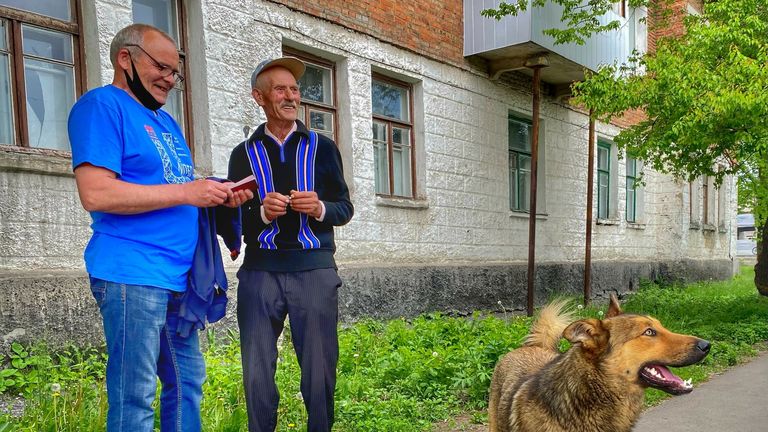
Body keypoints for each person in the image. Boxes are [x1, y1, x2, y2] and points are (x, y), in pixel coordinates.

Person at [68, 24, 252, 431]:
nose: (170, 79)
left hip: (178, 278)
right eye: (162, 68)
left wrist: (218, 195)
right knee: (134, 396)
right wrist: (190, 193)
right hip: (132, 275)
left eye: (175, 72)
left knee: (188, 384)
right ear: (125, 58)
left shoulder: (166, 123)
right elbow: (96, 194)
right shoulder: (102, 106)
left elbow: (173, 189)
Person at [227, 56, 354, 432]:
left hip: (314, 270)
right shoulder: (243, 154)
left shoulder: (323, 147)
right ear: (259, 97)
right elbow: (234, 221)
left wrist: (318, 207)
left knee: (319, 370)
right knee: (256, 371)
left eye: (294, 89)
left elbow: (344, 208)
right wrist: (263, 214)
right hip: (259, 273)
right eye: (280, 89)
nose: (291, 96)